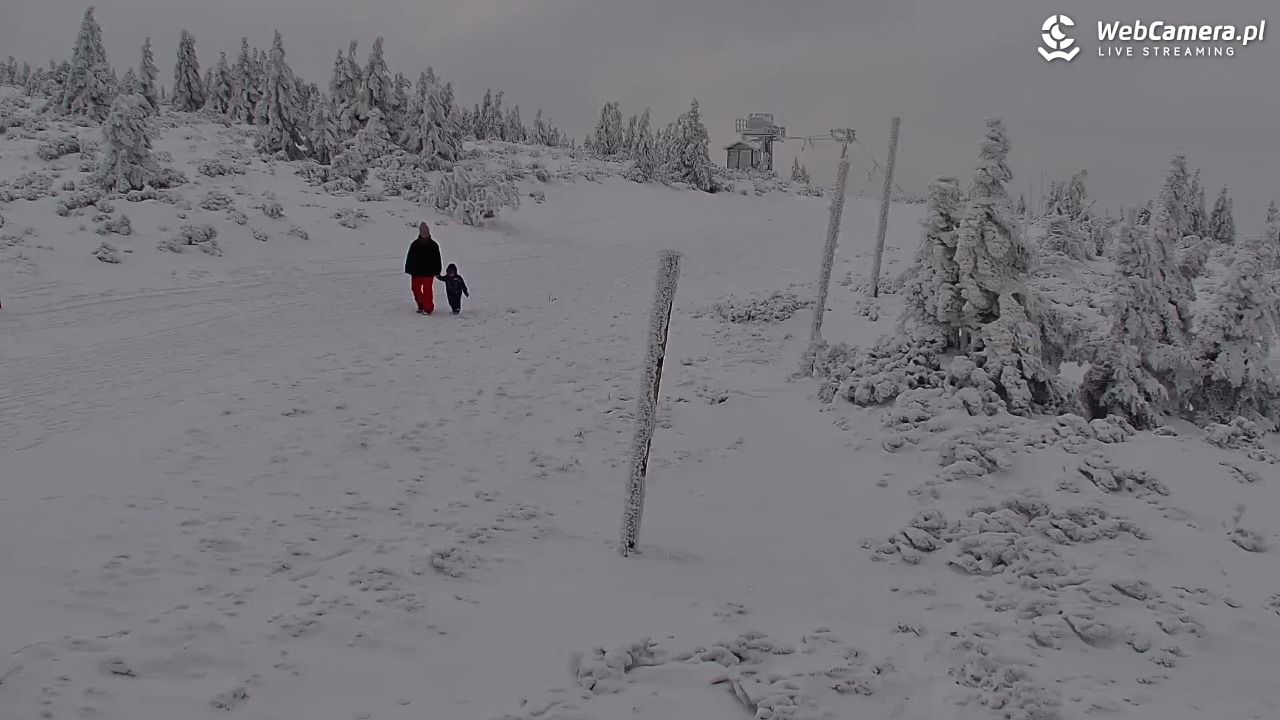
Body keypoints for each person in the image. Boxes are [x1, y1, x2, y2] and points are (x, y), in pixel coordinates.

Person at [404, 222, 442, 314]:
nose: (425, 235)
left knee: (427, 291)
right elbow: (410, 258)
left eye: (426, 233)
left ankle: (428, 309)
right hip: (416, 272)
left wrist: (437, 271)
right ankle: (421, 305)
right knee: (415, 289)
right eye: (423, 233)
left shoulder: (434, 245)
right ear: (420, 233)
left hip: (429, 273)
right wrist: (408, 269)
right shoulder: (414, 244)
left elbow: (437, 259)